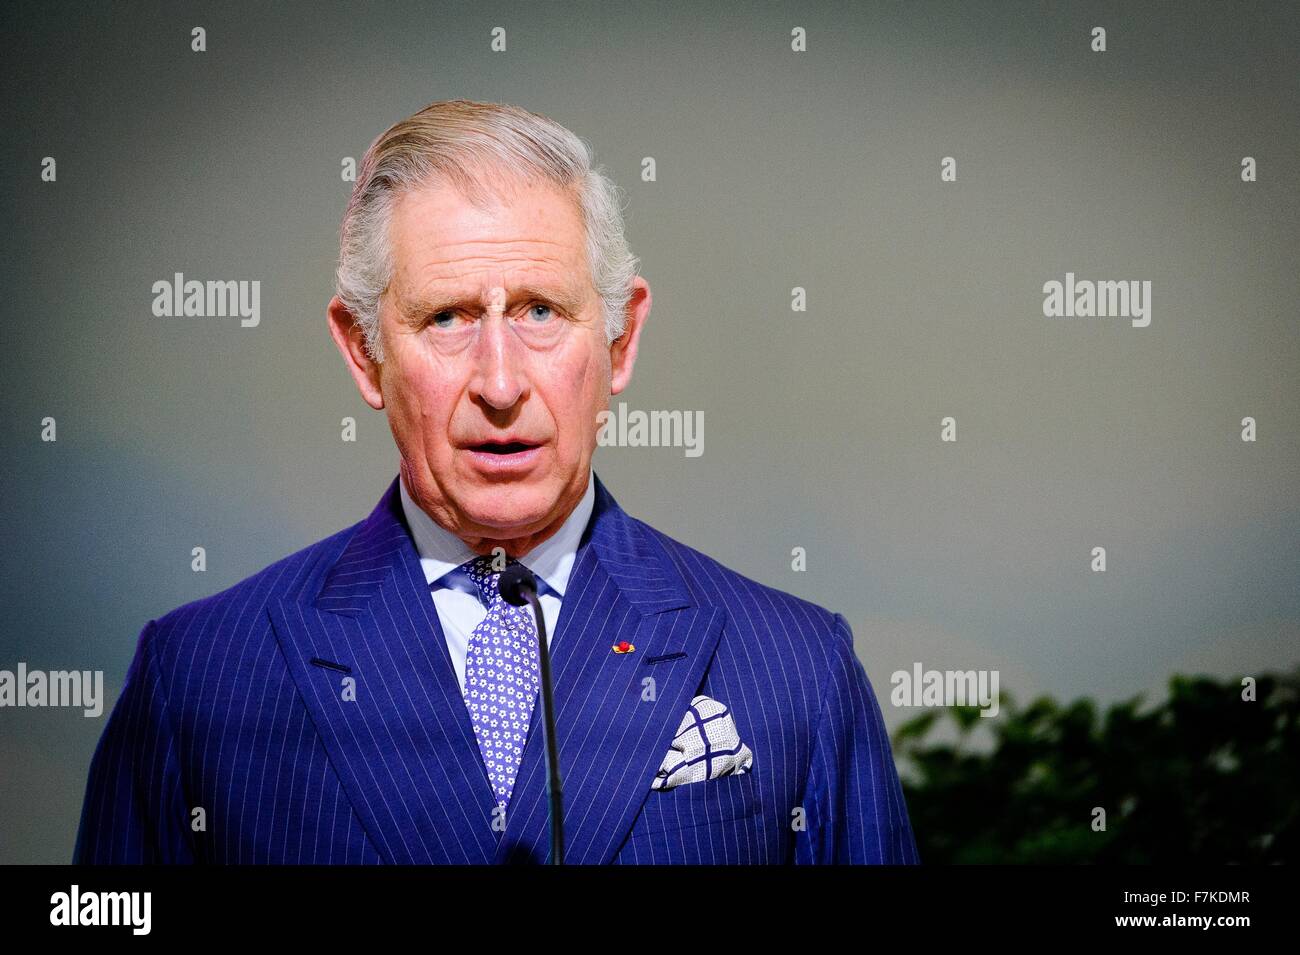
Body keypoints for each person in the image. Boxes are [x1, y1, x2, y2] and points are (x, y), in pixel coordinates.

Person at [73, 99, 918, 864]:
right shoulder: (195, 679)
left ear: (620, 341)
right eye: (447, 317)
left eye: (541, 311)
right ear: (364, 350)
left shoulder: (801, 668)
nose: (502, 383)